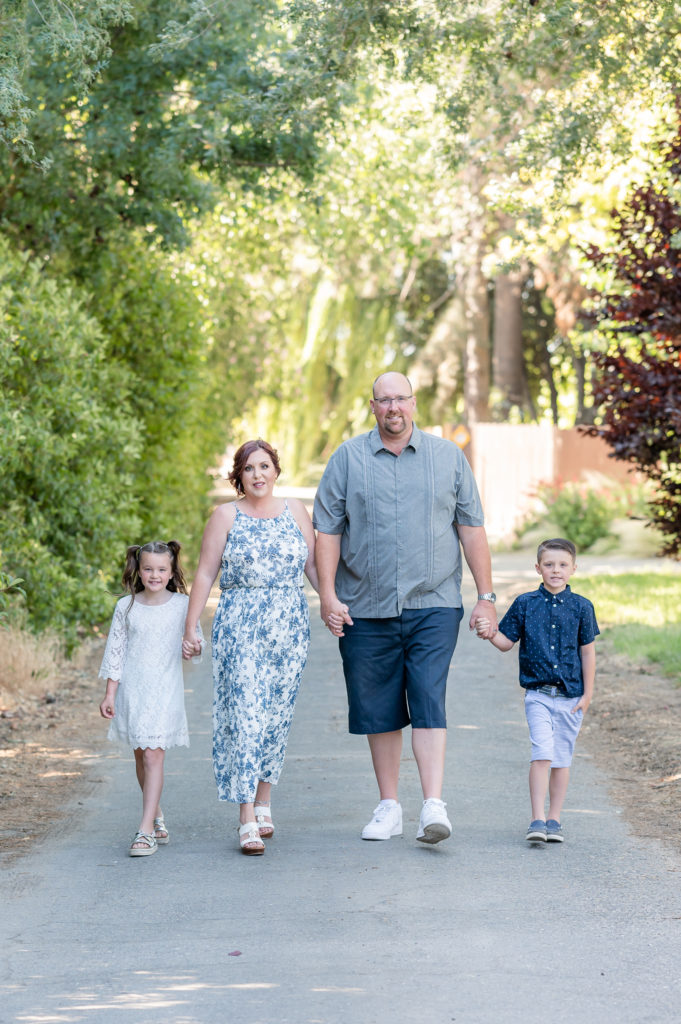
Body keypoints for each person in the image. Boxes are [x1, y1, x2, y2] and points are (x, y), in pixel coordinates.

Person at [313, 371, 498, 845]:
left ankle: (433, 804)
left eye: (401, 399)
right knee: (380, 708)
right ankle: (390, 806)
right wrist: (329, 595)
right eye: (384, 400)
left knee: (428, 695)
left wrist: (485, 597)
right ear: (372, 406)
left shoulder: (447, 458)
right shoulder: (347, 459)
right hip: (364, 606)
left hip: (433, 602)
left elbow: (471, 529)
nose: (393, 407)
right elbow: (328, 532)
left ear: (414, 404)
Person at [182, 439, 318, 856]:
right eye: (248, 468)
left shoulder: (296, 510)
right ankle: (245, 817)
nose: (257, 474)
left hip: (290, 625)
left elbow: (312, 565)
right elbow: (205, 574)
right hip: (240, 624)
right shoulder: (225, 515)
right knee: (245, 714)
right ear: (238, 477)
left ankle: (263, 801)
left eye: (264, 466)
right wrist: (191, 628)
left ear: (276, 471)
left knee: (276, 715)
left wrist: (331, 603)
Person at [475, 537, 599, 843]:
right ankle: (537, 819)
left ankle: (554, 819)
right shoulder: (525, 604)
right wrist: (489, 632)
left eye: (562, 565)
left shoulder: (582, 607)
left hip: (571, 697)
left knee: (561, 758)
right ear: (538, 568)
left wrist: (588, 694)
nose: (555, 570)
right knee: (542, 753)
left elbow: (588, 652)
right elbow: (505, 643)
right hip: (538, 695)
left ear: (573, 569)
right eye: (549, 565)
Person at [99, 541, 203, 857]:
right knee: (140, 757)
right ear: (138, 570)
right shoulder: (126, 607)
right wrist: (110, 694)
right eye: (148, 569)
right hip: (133, 691)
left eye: (161, 569)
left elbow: (196, 642)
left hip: (165, 691)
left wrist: (194, 647)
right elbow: (115, 652)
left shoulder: (183, 605)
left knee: (154, 756)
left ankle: (145, 832)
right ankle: (155, 812)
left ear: (171, 572)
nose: (154, 575)